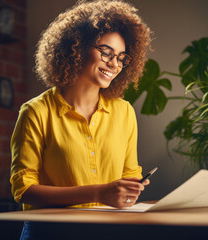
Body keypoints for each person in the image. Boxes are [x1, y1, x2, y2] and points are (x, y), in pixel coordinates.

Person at [10, 0, 151, 238]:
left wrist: (130, 187)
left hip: (108, 232)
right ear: (75, 47)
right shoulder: (36, 112)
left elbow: (130, 174)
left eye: (121, 57)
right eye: (106, 52)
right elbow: (24, 189)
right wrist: (98, 193)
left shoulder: (124, 112)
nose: (114, 64)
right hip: (50, 233)